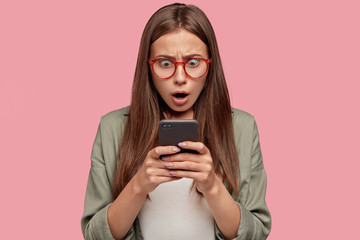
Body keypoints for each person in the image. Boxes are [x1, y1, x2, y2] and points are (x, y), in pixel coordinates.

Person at [81, 3, 271, 240]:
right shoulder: (112, 128)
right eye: (164, 63)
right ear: (147, 67)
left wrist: (212, 186)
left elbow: (257, 233)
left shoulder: (242, 128)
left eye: (193, 63)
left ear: (210, 65)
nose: (179, 78)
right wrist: (138, 186)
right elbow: (94, 235)